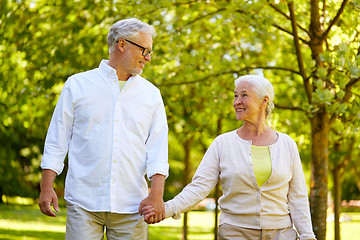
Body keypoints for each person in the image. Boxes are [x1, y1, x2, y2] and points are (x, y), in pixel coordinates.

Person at [38, 18, 169, 240]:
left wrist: (156, 195)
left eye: (150, 52)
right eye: (145, 50)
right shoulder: (77, 84)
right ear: (121, 44)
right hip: (83, 201)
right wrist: (46, 186)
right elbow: (57, 140)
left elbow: (157, 149)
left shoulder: (151, 94)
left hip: (132, 206)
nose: (148, 58)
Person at [142, 75, 316, 240]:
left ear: (264, 100)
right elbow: (199, 187)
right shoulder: (222, 144)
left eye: (244, 95)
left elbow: (298, 197)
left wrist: (307, 236)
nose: (236, 102)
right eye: (235, 96)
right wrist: (167, 208)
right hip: (235, 232)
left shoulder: (287, 144)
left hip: (281, 233)